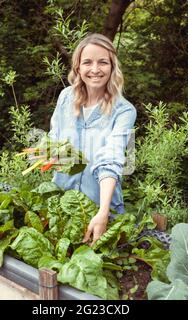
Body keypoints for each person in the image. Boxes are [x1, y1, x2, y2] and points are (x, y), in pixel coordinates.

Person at [48, 33, 137, 247]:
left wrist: (103, 212)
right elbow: (54, 140)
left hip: (102, 216)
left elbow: (111, 159)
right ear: (78, 67)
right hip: (64, 211)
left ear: (112, 66)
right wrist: (50, 155)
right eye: (87, 62)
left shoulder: (124, 111)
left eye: (103, 62)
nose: (95, 69)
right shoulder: (66, 98)